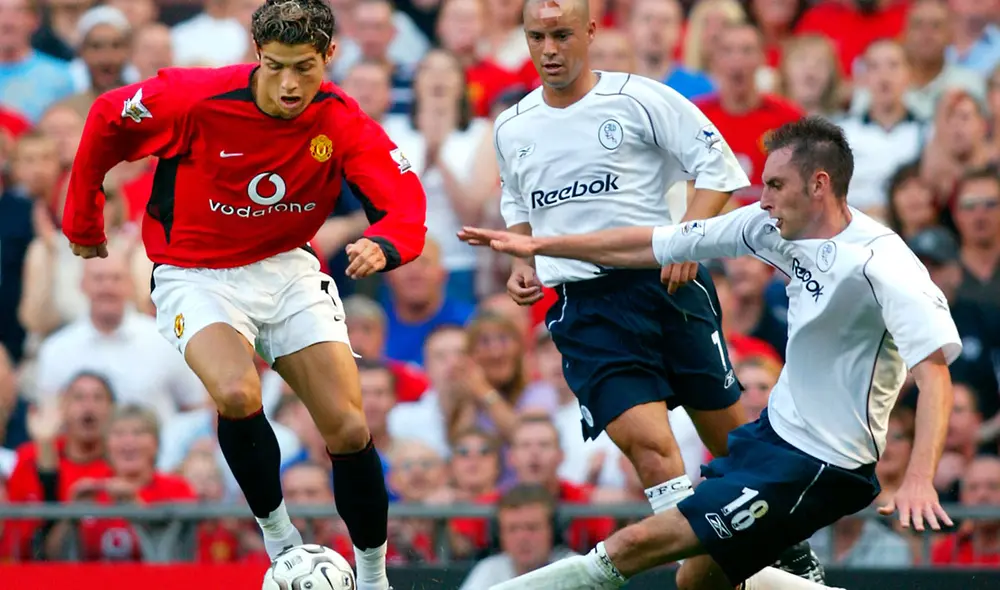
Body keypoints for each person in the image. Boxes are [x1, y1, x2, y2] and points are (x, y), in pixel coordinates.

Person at [458, 117, 960, 590]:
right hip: (771, 437)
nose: (762, 199)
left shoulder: (884, 265)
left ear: (819, 185)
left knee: (629, 548)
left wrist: (919, 479)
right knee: (697, 579)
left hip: (822, 462)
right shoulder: (773, 227)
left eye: (775, 185)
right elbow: (654, 244)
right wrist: (541, 246)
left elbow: (934, 374)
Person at [60, 0, 427, 588]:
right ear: (258, 55)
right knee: (235, 390)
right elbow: (107, 117)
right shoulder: (192, 99)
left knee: (350, 430)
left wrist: (386, 243)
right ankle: (282, 543)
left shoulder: (341, 121)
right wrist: (83, 219)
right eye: (277, 66)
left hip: (286, 269)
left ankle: (375, 576)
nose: (289, 84)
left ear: (330, 55)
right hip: (193, 272)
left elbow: (404, 196)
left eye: (305, 67)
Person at [487, 0, 822, 581]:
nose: (548, 50)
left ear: (590, 32)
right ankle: (700, 563)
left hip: (667, 284)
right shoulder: (512, 126)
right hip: (586, 306)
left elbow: (717, 167)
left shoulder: (640, 98)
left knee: (732, 443)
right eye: (537, 36)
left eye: (561, 35)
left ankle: (789, 552)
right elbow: (517, 201)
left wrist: (686, 242)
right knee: (650, 448)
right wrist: (523, 257)